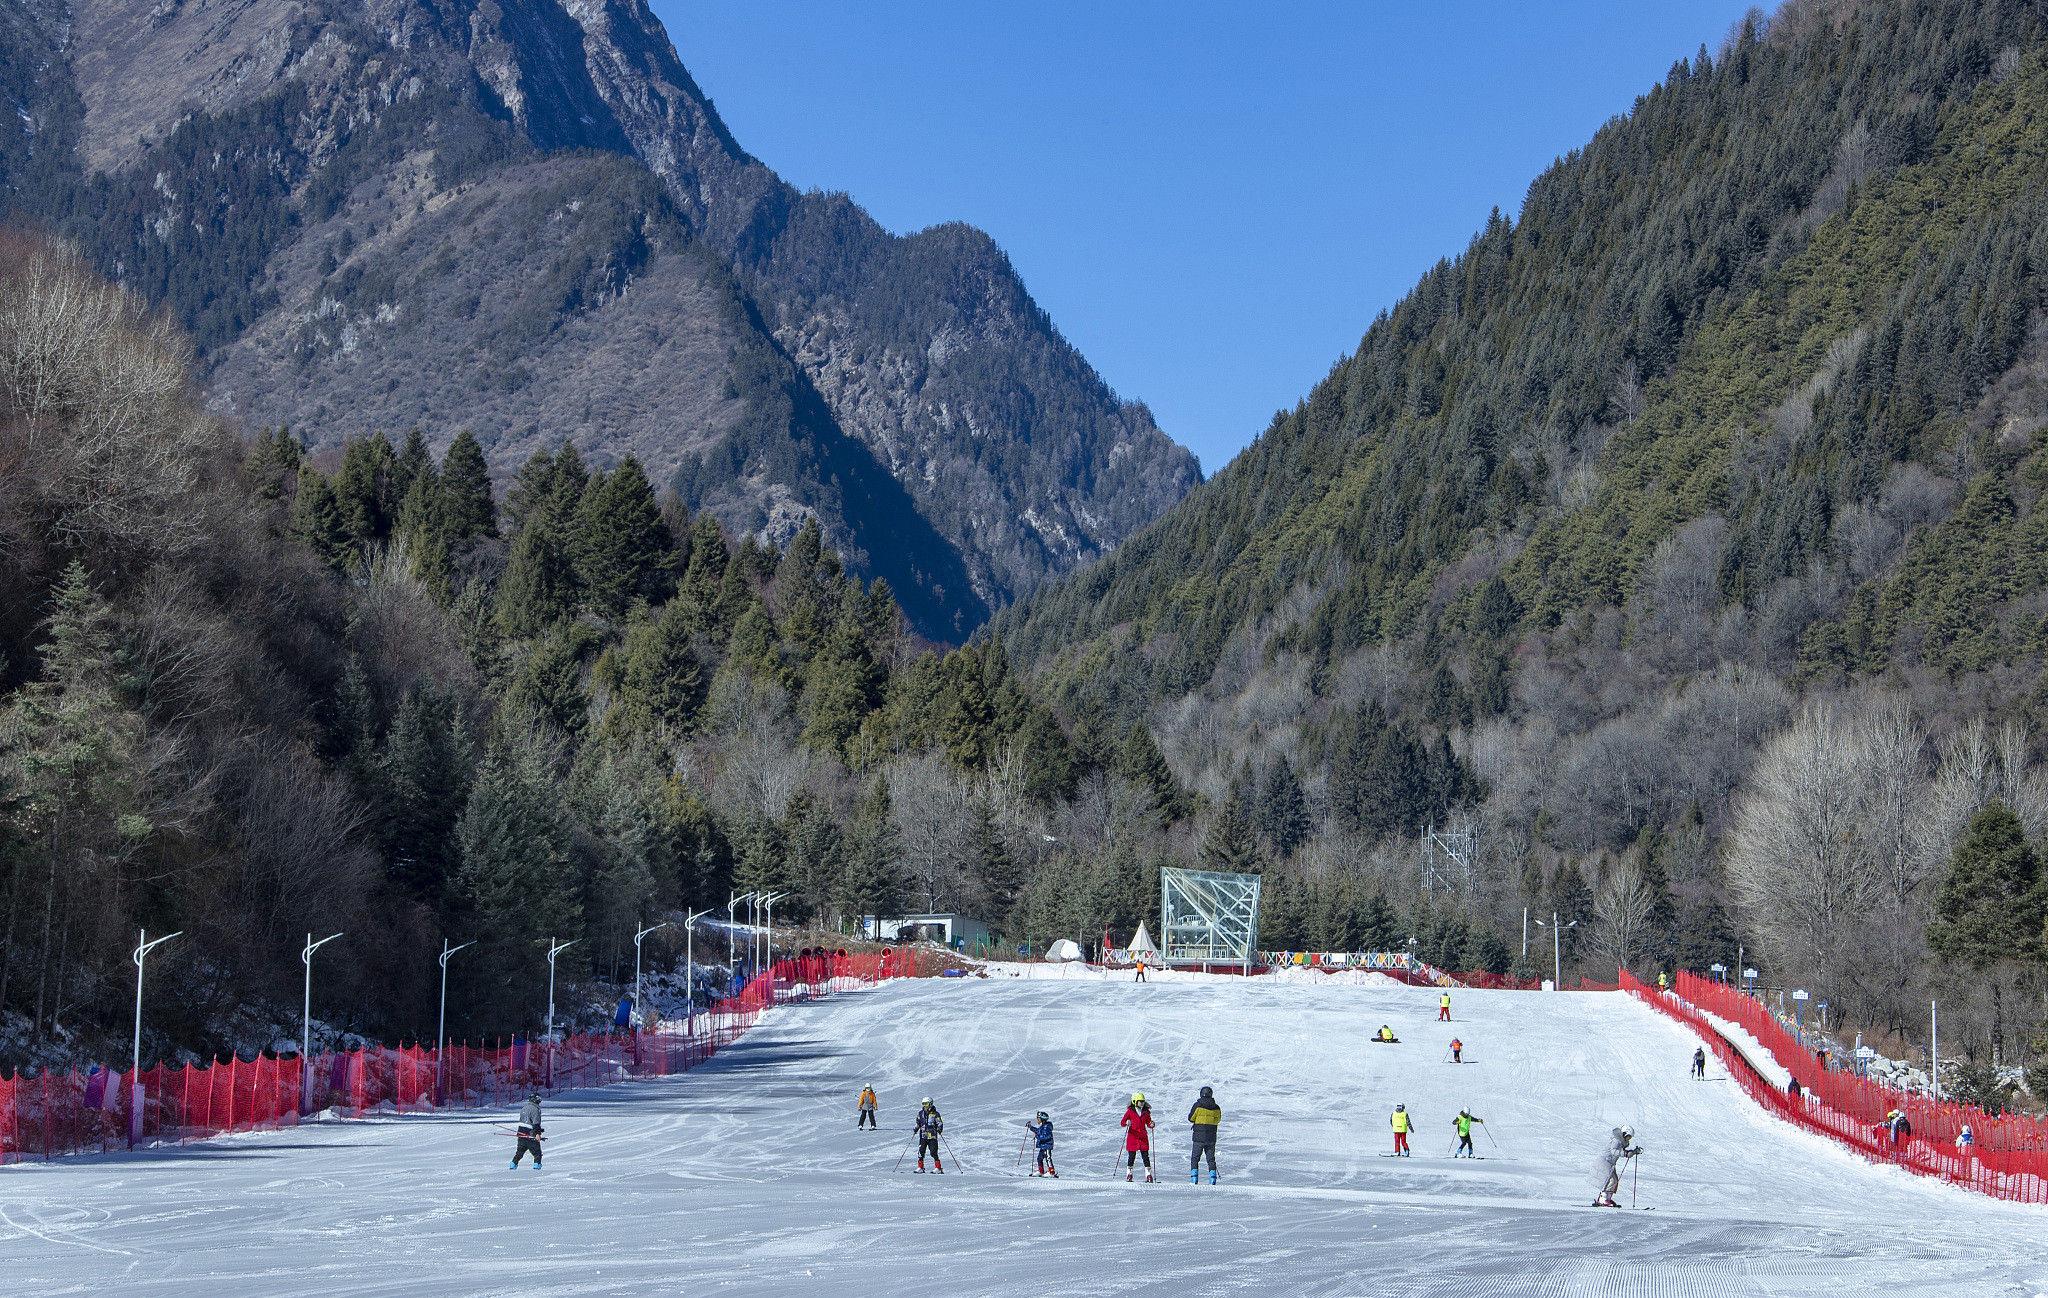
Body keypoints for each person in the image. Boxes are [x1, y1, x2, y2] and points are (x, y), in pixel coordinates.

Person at [1590, 1126, 1641, 1206]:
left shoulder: (1621, 1142)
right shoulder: (1616, 1140)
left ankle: (1607, 1199)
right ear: (1624, 1134)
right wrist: (1626, 1154)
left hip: (1610, 1162)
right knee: (1609, 1180)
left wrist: (1633, 1152)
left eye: (1630, 1137)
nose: (1629, 1139)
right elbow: (1614, 1152)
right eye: (1628, 1136)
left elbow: (1620, 1151)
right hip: (1605, 1161)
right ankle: (1603, 1199)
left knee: (1614, 1180)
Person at [1188, 1086, 1221, 1184]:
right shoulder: (1216, 1107)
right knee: (1211, 1158)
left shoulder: (1197, 1105)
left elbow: (1191, 1118)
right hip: (1211, 1136)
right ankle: (1212, 1179)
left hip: (1198, 1136)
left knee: (1195, 1158)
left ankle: (1194, 1179)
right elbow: (1217, 1120)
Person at [1121, 1092, 1155, 1181]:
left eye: (1143, 1101)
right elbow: (1122, 1122)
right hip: (1133, 1137)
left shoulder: (1146, 1112)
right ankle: (1129, 1174)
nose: (1142, 1103)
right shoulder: (1130, 1111)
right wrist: (1126, 1122)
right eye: (1140, 1101)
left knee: (1145, 1156)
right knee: (1132, 1156)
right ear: (1135, 1101)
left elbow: (1148, 1122)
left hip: (1143, 1137)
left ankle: (1148, 1174)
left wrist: (1151, 1124)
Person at [511, 1092, 544, 1170]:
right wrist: (537, 1134)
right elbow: (536, 1123)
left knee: (520, 1152)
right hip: (530, 1134)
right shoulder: (535, 1109)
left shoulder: (524, 1108)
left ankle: (513, 1164)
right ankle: (537, 1167)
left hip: (521, 1133)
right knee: (537, 1153)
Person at [915, 1097, 945, 1173]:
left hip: (932, 1135)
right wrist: (917, 1127)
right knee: (921, 1151)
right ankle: (920, 1167)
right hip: (923, 1135)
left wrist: (939, 1128)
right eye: (923, 1104)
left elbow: (939, 1122)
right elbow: (918, 1121)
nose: (925, 1106)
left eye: (926, 1104)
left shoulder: (935, 1114)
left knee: (933, 1152)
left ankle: (938, 1168)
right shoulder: (921, 1113)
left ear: (930, 1104)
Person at [1027, 1110, 1057, 1177]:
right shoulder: (1043, 1127)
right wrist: (1031, 1127)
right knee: (1039, 1158)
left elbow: (1046, 1136)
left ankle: (1052, 1172)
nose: (1038, 1120)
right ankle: (1041, 1171)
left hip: (1047, 1145)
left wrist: (1037, 1136)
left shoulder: (1047, 1127)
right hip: (1043, 1145)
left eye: (1038, 1119)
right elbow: (1038, 1131)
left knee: (1048, 1158)